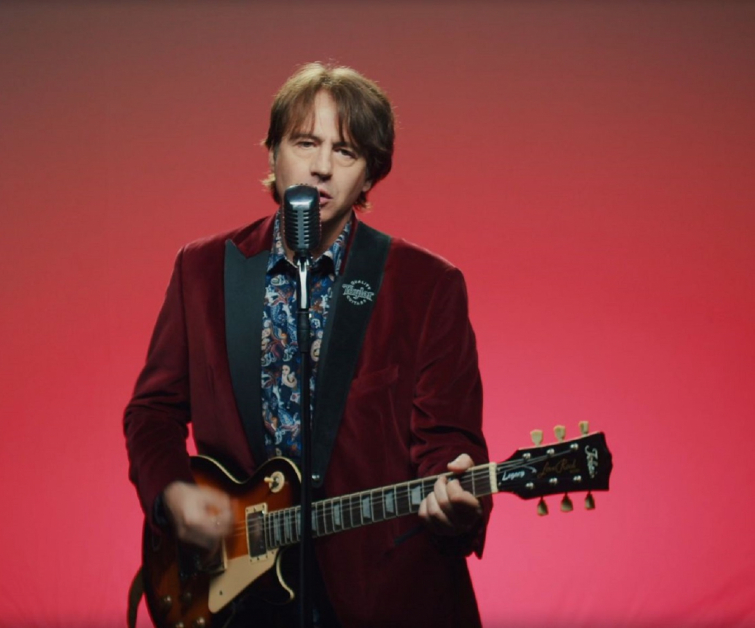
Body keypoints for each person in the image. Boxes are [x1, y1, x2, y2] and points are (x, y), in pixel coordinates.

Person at [124, 62, 491, 627]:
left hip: (381, 592)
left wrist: (455, 490)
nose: (321, 167)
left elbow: (447, 440)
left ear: (369, 176)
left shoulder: (427, 285)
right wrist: (173, 495)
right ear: (273, 154)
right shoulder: (201, 270)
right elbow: (153, 411)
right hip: (237, 594)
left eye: (345, 151)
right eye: (305, 143)